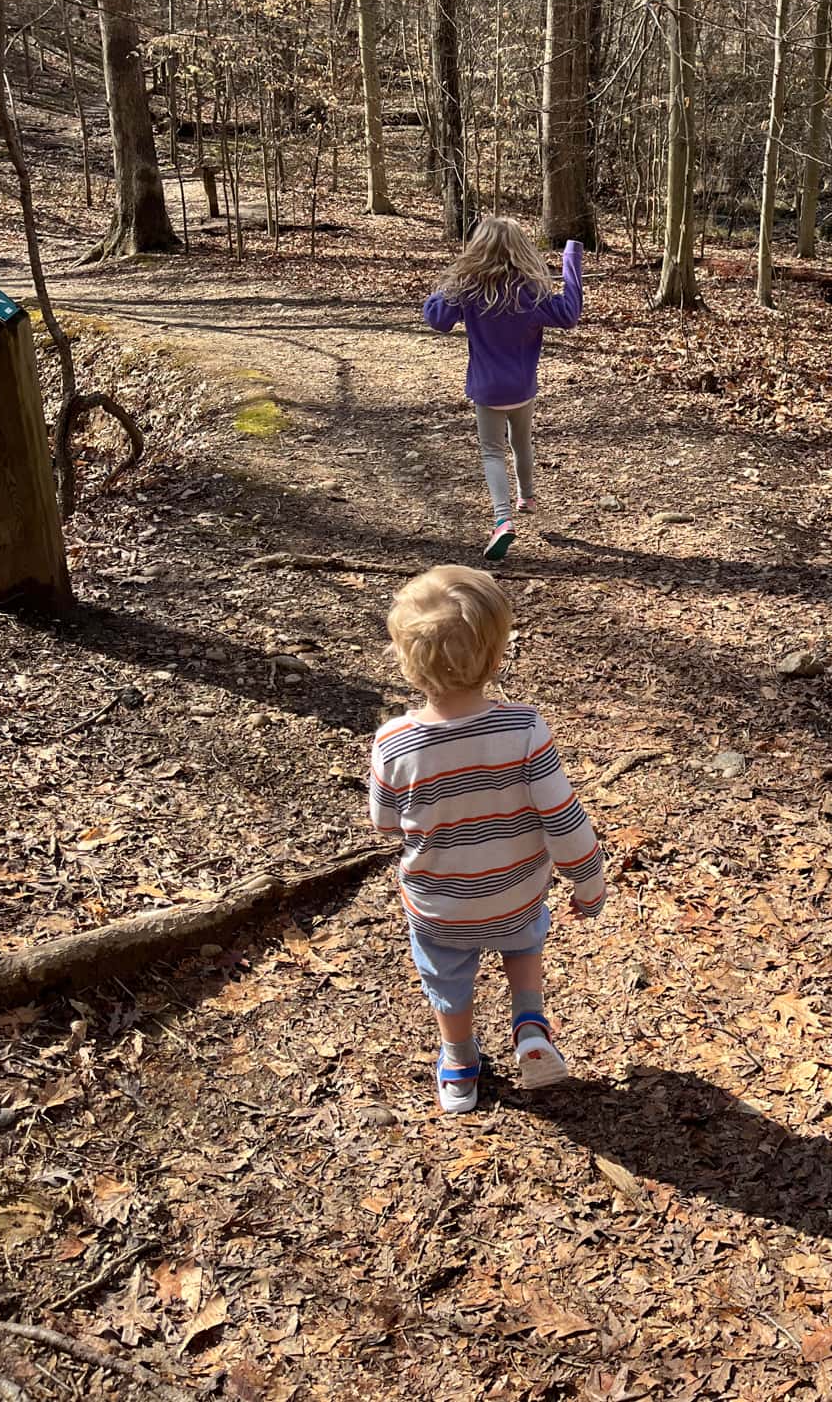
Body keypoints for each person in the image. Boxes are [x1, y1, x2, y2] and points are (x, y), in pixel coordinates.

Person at [369, 565, 606, 1114]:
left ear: (406, 659)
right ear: (496, 655)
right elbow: (564, 818)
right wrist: (589, 883)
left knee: (446, 977)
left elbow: (384, 823)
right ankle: (530, 1026)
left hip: (439, 905)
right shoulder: (524, 728)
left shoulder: (394, 744)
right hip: (515, 895)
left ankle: (458, 1064)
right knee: (523, 943)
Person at [424, 217, 583, 561]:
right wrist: (571, 259)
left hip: (487, 390)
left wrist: (452, 279)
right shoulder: (532, 291)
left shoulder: (469, 290)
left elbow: (437, 319)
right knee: (521, 442)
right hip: (522, 387)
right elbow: (569, 315)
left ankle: (502, 519)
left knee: (492, 452)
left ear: (477, 250)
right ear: (521, 250)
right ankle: (527, 496)